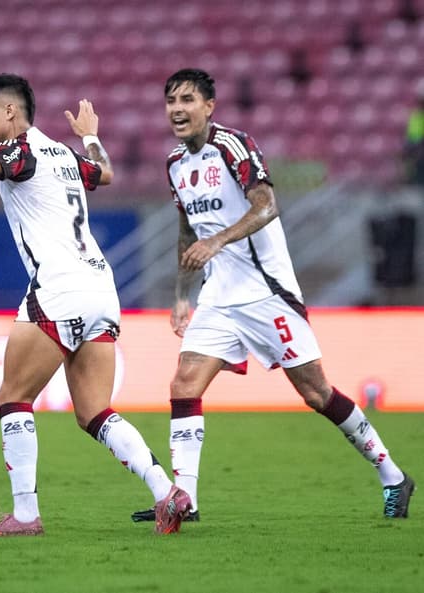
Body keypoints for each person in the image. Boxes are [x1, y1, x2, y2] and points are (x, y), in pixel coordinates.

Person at [0, 74, 191, 536]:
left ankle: (26, 515)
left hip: (59, 288)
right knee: (94, 411)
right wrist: (91, 136)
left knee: (13, 397)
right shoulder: (65, 153)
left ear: (10, 113)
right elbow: (107, 173)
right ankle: (166, 491)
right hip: (101, 288)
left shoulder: (25, 150)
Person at [130, 68, 414, 524]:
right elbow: (187, 229)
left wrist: (219, 241)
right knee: (184, 383)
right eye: (170, 102)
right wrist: (183, 295)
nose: (177, 109)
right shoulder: (175, 164)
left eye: (187, 100)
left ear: (209, 106)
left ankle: (393, 476)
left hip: (267, 293)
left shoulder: (234, 146)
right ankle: (185, 500)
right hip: (219, 296)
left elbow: (266, 205)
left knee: (317, 393)